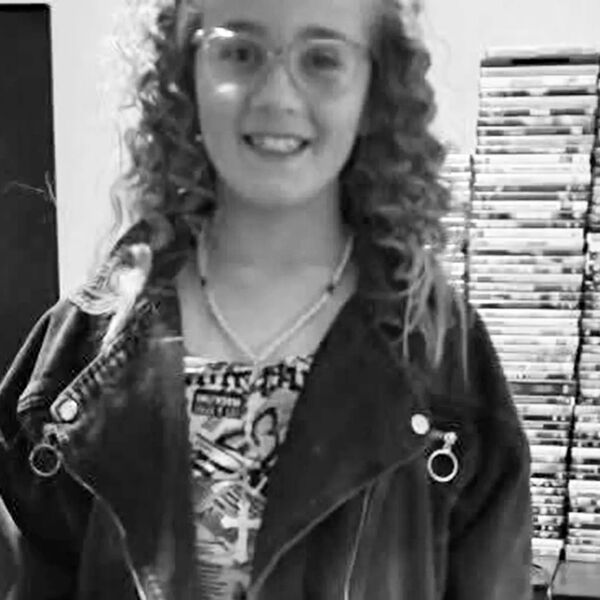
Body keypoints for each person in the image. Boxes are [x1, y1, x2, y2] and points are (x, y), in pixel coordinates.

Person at [0, 0, 532, 598]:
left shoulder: (447, 364)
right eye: (240, 52)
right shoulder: (74, 360)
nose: (278, 95)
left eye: (322, 58)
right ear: (185, 72)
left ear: (375, 87)